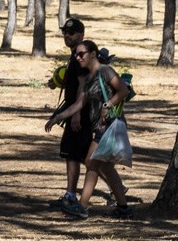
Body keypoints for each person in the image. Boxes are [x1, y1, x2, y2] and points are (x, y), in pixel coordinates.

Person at [43, 40, 133, 219]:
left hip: (109, 125)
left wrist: (108, 104)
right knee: (106, 167)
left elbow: (123, 90)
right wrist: (58, 117)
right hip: (99, 127)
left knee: (91, 161)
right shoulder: (88, 78)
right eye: (76, 54)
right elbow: (79, 104)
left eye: (81, 54)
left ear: (93, 54)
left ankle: (82, 207)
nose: (77, 57)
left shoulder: (105, 71)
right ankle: (123, 208)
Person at [44, 17, 89, 207]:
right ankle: (116, 190)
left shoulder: (80, 56)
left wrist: (76, 114)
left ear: (81, 35)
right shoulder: (74, 56)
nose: (67, 36)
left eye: (71, 33)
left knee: (76, 154)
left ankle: (71, 195)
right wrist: (57, 82)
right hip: (74, 111)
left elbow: (82, 85)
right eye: (64, 32)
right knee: (82, 154)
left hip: (79, 113)